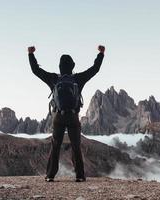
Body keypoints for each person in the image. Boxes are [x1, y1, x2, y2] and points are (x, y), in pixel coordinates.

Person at [28, 45, 105, 182]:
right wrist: (101, 53)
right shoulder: (78, 79)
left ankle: (50, 175)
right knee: (76, 145)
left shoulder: (53, 79)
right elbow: (95, 69)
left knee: (55, 145)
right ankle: (80, 175)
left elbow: (35, 70)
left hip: (58, 116)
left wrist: (31, 54)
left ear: (59, 66)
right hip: (73, 117)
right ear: (72, 66)